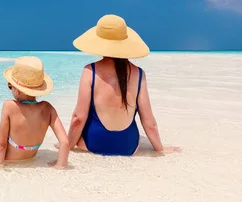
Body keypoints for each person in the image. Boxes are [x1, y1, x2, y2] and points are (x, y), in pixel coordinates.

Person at [65, 14, 181, 156]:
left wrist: (67, 145)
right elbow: (149, 122)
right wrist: (160, 149)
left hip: (93, 143)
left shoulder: (90, 71)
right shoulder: (139, 74)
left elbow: (78, 118)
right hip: (128, 146)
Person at [0, 56, 70, 170]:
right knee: (3, 131)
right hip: (30, 155)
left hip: (6, 158)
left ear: (17, 89)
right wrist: (60, 165)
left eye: (10, 86)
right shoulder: (48, 108)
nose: (10, 87)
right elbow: (65, 142)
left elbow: (1, 144)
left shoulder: (10, 106)